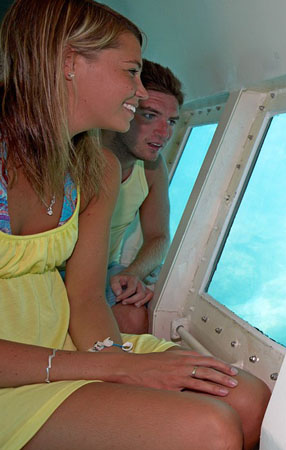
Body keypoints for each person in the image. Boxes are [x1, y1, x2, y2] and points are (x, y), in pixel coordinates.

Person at [0, 1, 269, 449]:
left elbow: (86, 296)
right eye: (131, 72)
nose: (140, 89)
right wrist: (113, 368)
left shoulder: (95, 166)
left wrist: (116, 360)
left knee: (247, 397)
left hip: (68, 342)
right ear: (70, 62)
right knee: (209, 428)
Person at [102, 59, 182, 334]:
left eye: (171, 121)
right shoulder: (80, 153)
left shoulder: (153, 168)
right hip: (54, 268)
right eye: (149, 116)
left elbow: (159, 237)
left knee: (136, 318)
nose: (165, 133)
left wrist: (132, 273)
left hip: (103, 269)